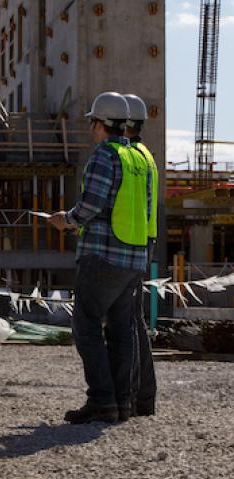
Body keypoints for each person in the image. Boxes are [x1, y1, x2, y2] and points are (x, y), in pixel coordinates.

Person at [49, 92, 151, 424]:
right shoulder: (136, 157)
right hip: (134, 255)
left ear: (100, 124)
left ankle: (102, 399)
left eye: (92, 121)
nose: (91, 128)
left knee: (86, 324)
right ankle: (122, 402)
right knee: (123, 328)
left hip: (103, 254)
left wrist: (66, 219)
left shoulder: (105, 156)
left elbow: (91, 206)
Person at [122, 93, 158, 417]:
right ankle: (143, 398)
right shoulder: (146, 155)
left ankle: (135, 397)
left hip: (130, 243)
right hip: (142, 241)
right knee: (136, 319)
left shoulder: (130, 156)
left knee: (128, 320)